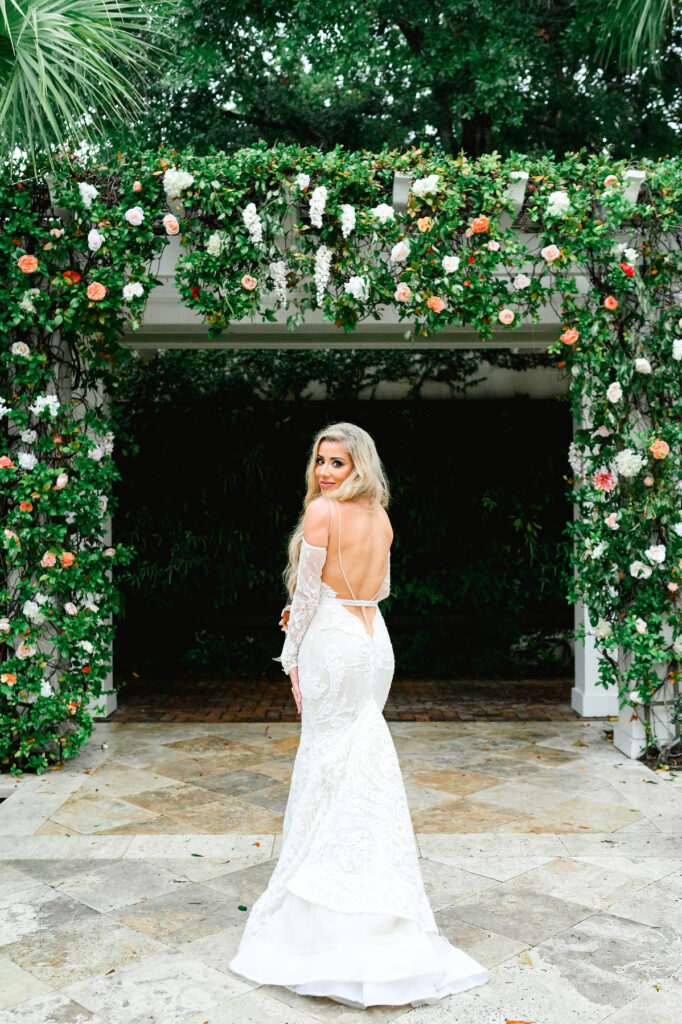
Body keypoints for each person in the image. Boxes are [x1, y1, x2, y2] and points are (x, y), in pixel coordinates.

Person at [228, 422, 490, 1009]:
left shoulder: (324, 513)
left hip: (336, 642)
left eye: (337, 462)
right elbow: (382, 588)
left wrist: (291, 656)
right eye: (320, 461)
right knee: (358, 754)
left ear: (359, 466)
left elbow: (314, 593)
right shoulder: (382, 517)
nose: (324, 472)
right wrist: (311, 609)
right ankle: (371, 881)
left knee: (326, 759)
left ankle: (328, 895)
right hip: (375, 643)